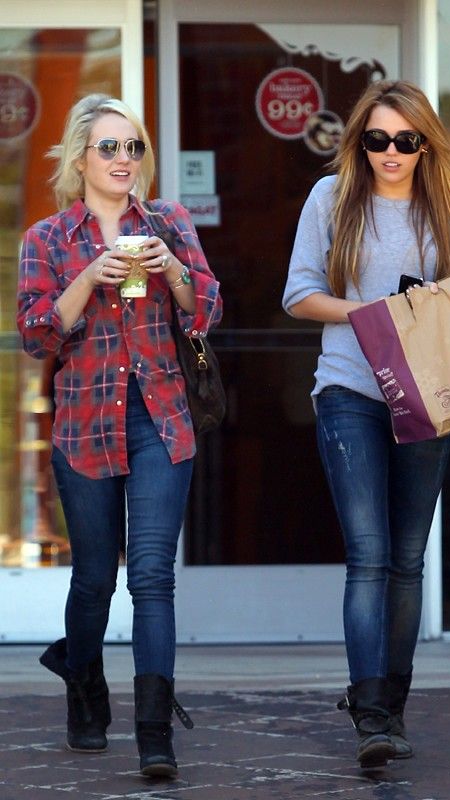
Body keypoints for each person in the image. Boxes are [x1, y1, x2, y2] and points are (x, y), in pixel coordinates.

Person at [282, 80, 450, 769]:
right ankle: (369, 713)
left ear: (425, 142)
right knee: (368, 555)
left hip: (428, 394)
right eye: (377, 139)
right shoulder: (331, 198)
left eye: (405, 139)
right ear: (359, 142)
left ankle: (392, 708)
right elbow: (299, 294)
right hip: (350, 390)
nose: (391, 152)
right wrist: (373, 314)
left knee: (407, 558)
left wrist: (429, 306)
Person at [17, 93, 222, 778]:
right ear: (81, 159)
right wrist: (87, 277)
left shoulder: (168, 221)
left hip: (160, 417)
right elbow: (36, 335)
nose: (124, 158)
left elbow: (207, 310)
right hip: (84, 423)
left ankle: (155, 734)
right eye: (109, 147)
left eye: (133, 146)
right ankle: (84, 685)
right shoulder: (48, 238)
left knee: (153, 576)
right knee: (95, 578)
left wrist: (173, 269)